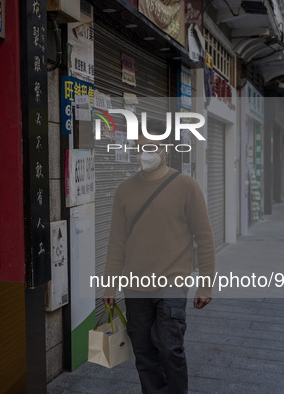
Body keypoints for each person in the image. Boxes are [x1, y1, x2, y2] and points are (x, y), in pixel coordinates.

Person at [102, 121, 216, 394]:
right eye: (140, 148)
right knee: (143, 350)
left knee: (169, 348)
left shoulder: (187, 186)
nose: (145, 153)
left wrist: (206, 283)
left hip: (172, 283)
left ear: (165, 149)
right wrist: (109, 283)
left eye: (151, 147)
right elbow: (117, 240)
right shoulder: (124, 190)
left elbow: (205, 237)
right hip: (135, 285)